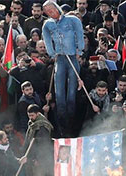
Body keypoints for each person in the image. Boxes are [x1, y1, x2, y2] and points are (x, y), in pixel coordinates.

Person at [42, 0, 84, 131]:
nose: (51, 13)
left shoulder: (72, 20)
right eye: (48, 12)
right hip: (60, 58)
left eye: (52, 10)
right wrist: (51, 53)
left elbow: (80, 34)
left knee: (71, 92)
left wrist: (79, 50)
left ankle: (72, 123)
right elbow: (47, 39)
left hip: (72, 56)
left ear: (57, 8)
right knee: (59, 92)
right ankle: (62, 126)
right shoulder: (47, 24)